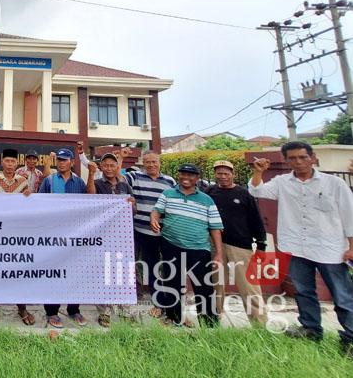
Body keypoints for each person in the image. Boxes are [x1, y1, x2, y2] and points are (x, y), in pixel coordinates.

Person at [250, 142, 353, 356]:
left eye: (302, 157)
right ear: (286, 161)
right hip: (296, 248)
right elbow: (257, 190)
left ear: (312, 158)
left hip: (330, 248)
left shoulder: (334, 184)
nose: (298, 162)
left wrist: (352, 246)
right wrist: (258, 172)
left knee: (342, 296)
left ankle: (350, 337)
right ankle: (310, 328)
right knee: (304, 292)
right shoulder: (282, 182)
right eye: (293, 158)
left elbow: (349, 215)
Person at [150, 164, 224, 327]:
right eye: (183, 174)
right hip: (171, 244)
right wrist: (153, 219)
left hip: (198, 249)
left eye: (190, 175)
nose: (186, 178)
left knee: (203, 287)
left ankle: (209, 323)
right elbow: (156, 210)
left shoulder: (206, 200)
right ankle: (174, 318)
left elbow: (216, 228)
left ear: (197, 178)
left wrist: (218, 253)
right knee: (172, 283)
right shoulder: (168, 194)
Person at [207, 160, 268, 325]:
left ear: (232, 174)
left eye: (226, 173)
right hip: (215, 245)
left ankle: (259, 323)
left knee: (249, 286)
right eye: (219, 173)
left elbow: (256, 220)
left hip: (240, 245)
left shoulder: (243, 194)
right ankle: (214, 318)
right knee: (215, 284)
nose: (223, 177)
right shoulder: (210, 192)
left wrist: (261, 245)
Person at [38, 148, 88, 329]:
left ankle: (74, 309)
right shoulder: (49, 181)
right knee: (53, 273)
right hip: (53, 235)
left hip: (75, 235)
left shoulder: (79, 182)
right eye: (59, 160)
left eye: (65, 160)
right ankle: (51, 311)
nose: (61, 163)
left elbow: (88, 205)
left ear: (72, 162)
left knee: (75, 272)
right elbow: (39, 205)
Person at [0, 148, 35, 326]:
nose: (10, 165)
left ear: (17, 163)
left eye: (13, 162)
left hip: (16, 233)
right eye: (7, 161)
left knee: (19, 270)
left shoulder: (23, 182)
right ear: (2, 162)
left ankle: (21, 307)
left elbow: (28, 207)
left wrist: (28, 197)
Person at [123, 151, 176, 318]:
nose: (151, 165)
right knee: (152, 268)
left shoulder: (169, 181)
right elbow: (117, 175)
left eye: (154, 162)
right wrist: (121, 158)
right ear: (142, 163)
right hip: (142, 232)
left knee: (170, 269)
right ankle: (158, 303)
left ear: (159, 163)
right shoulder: (135, 177)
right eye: (147, 162)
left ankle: (173, 303)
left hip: (165, 233)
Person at [86, 153, 137, 327]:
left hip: (123, 237)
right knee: (104, 273)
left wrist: (131, 203)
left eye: (111, 165)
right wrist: (91, 175)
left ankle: (125, 309)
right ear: (101, 168)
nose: (108, 168)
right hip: (104, 235)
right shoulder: (98, 183)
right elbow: (90, 198)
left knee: (124, 274)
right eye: (105, 165)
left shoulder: (124, 185)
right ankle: (105, 312)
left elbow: (134, 209)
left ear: (117, 167)